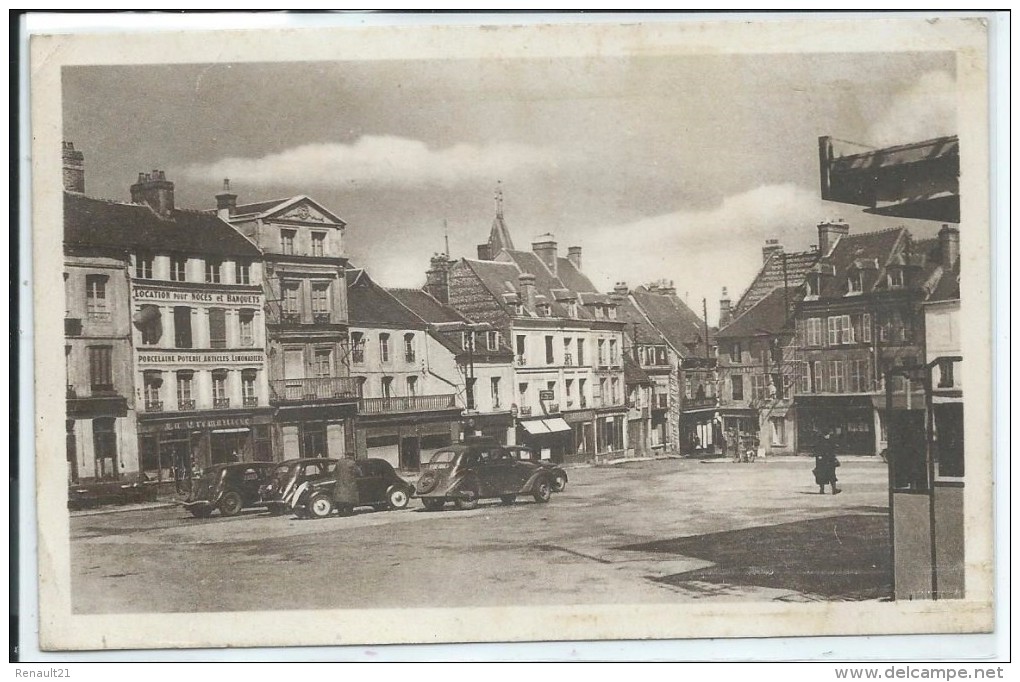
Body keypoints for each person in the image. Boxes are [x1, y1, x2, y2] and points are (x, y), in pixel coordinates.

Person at [813, 430, 840, 494]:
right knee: (821, 475)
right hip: (822, 460)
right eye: (828, 434)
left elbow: (833, 449)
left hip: (829, 460)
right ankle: (822, 490)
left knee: (832, 474)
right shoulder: (820, 441)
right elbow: (816, 450)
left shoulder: (830, 440)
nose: (828, 436)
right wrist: (819, 456)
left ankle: (834, 489)